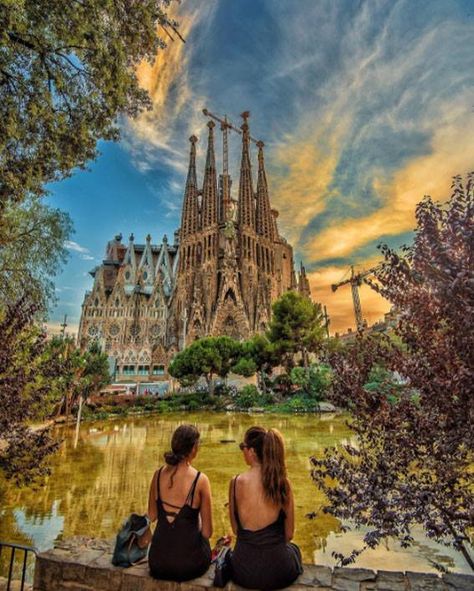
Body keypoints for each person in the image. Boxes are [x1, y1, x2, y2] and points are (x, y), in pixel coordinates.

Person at [228, 426, 303, 590]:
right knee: (294, 549)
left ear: (252, 451)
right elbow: (289, 535)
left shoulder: (235, 483)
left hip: (242, 571)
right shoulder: (282, 483)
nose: (243, 451)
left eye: (244, 447)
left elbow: (236, 530)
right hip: (279, 572)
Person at [147, 424, 212, 581]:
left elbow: (152, 516)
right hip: (189, 565)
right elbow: (207, 532)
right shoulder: (200, 480)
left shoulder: (157, 475)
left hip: (157, 562)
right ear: (193, 449)